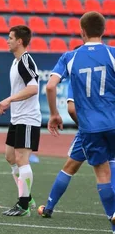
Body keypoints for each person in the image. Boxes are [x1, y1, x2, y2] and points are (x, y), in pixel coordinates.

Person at [46, 11, 115, 234]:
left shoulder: (70, 57)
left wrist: (55, 114)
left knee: (102, 174)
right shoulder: (113, 54)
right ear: (104, 31)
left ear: (81, 31)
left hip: (90, 128)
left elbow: (50, 86)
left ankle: (114, 227)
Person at [0, 25, 41, 217]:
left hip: (28, 119)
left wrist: (9, 99)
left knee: (22, 159)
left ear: (20, 41)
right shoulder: (16, 62)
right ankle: (27, 196)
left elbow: (33, 88)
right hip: (17, 118)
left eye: (10, 38)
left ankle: (23, 205)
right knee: (10, 157)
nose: (8, 41)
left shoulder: (25, 61)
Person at [38, 82, 87, 218]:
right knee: (109, 167)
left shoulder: (78, 69)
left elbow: (71, 109)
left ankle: (48, 208)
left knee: (69, 167)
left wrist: (84, 126)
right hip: (110, 126)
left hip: (89, 128)